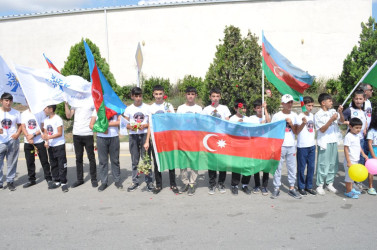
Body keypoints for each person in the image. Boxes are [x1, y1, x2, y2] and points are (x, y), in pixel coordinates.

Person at [144, 85, 178, 194]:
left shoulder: (168, 105)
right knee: (157, 161)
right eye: (156, 94)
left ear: (163, 94)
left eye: (160, 94)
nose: (158, 96)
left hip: (168, 137)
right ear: (153, 94)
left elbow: (174, 120)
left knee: (170, 161)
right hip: (156, 138)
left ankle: (173, 184)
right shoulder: (151, 108)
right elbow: (150, 124)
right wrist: (147, 140)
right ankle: (158, 185)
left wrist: (169, 114)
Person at [270, 94, 301, 199]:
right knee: (278, 168)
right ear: (282, 103)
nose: (290, 104)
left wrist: (291, 124)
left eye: (291, 102)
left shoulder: (294, 115)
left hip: (291, 145)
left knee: (292, 167)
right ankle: (276, 188)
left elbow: (296, 131)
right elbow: (272, 130)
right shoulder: (277, 116)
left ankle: (292, 188)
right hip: (280, 146)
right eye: (288, 102)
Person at [201, 88, 231, 195]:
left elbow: (227, 122)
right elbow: (203, 123)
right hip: (211, 139)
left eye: (217, 96)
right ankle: (212, 184)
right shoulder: (206, 109)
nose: (215, 98)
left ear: (220, 97)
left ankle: (221, 183)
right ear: (210, 97)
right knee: (212, 163)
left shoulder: (224, 108)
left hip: (222, 139)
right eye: (213, 96)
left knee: (222, 162)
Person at [124, 87, 154, 192]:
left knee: (146, 160)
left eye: (140, 96)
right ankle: (135, 181)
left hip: (145, 135)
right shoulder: (128, 109)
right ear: (132, 96)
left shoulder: (147, 108)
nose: (138, 98)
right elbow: (125, 123)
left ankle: (149, 181)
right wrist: (130, 127)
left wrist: (144, 126)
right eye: (136, 96)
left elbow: (150, 123)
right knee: (134, 160)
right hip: (133, 136)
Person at [314, 93, 344, 195]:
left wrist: (340, 112)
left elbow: (341, 122)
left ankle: (330, 183)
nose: (332, 102)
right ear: (323, 103)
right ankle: (320, 185)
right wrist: (331, 120)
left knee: (333, 164)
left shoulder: (333, 111)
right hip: (324, 142)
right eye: (330, 101)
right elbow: (322, 129)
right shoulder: (318, 114)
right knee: (323, 164)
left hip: (334, 141)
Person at [176, 86, 203, 196]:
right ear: (185, 95)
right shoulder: (180, 108)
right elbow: (177, 123)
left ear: (195, 95)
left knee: (194, 162)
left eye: (192, 94)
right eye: (188, 94)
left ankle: (192, 183)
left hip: (194, 139)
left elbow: (202, 124)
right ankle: (185, 182)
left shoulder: (199, 109)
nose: (190, 96)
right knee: (182, 163)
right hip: (182, 138)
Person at [65, 102, 98, 188]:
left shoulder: (90, 100)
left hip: (88, 133)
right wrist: (66, 104)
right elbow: (69, 116)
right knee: (78, 158)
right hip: (77, 133)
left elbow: (96, 115)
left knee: (91, 157)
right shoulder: (74, 102)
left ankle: (93, 179)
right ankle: (80, 179)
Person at [90, 108, 122, 192]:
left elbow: (120, 122)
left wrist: (106, 124)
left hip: (114, 137)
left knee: (115, 160)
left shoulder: (115, 108)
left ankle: (117, 180)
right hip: (101, 138)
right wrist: (101, 129)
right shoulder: (97, 109)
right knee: (102, 161)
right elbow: (91, 125)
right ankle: (104, 182)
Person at [343, 89, 368, 191]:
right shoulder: (349, 110)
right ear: (353, 99)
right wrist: (346, 122)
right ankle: (349, 191)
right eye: (356, 98)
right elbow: (341, 120)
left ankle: (356, 185)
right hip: (351, 156)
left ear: (364, 99)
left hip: (360, 140)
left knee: (357, 168)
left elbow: (364, 122)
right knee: (349, 175)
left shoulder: (363, 111)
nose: (358, 101)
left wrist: (363, 154)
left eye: (360, 99)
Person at [21, 106, 52, 188]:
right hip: (28, 142)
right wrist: (28, 136)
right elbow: (23, 126)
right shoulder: (24, 114)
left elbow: (42, 127)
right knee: (30, 161)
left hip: (39, 141)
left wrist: (33, 135)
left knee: (44, 160)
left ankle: (48, 178)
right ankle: (31, 179)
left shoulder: (41, 112)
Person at [42, 105, 69, 192]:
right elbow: (46, 133)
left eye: (46, 108)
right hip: (51, 145)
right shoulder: (46, 120)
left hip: (59, 145)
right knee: (53, 163)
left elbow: (59, 133)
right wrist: (46, 142)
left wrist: (48, 138)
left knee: (61, 164)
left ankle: (64, 182)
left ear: (51, 109)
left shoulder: (58, 119)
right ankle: (57, 180)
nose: (44, 109)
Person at [229, 99, 252, 195]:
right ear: (235, 108)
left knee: (248, 165)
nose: (242, 109)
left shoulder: (248, 119)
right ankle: (234, 185)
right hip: (236, 145)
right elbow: (229, 132)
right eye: (240, 108)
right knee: (237, 166)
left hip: (247, 144)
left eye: (244, 108)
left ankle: (245, 184)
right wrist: (237, 124)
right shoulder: (232, 119)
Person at [249, 99, 271, 196]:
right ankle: (257, 185)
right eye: (258, 108)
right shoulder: (251, 118)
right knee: (256, 167)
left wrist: (265, 109)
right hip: (255, 145)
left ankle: (264, 186)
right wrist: (260, 126)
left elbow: (269, 122)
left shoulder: (266, 117)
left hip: (265, 145)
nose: (259, 110)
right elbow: (251, 130)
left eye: (261, 108)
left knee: (266, 167)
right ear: (254, 109)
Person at [296, 96, 317, 196]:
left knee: (311, 167)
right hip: (302, 146)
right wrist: (303, 123)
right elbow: (297, 131)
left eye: (312, 105)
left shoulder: (312, 115)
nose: (311, 107)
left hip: (312, 145)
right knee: (301, 167)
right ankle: (301, 186)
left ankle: (309, 186)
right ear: (303, 105)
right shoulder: (299, 116)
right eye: (308, 105)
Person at [0, 93, 21, 191]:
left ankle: (10, 181)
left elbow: (20, 125)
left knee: (12, 162)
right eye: (6, 100)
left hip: (13, 140)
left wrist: (17, 134)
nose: (8, 103)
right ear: (1, 101)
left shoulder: (16, 112)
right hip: (1, 141)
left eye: (10, 101)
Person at [343, 117, 368, 199]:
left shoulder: (357, 136)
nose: (358, 130)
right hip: (350, 160)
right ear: (350, 127)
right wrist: (348, 161)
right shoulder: (348, 136)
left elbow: (359, 146)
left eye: (360, 128)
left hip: (355, 160)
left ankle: (351, 189)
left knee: (352, 177)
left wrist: (363, 154)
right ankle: (348, 191)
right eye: (356, 128)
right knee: (349, 177)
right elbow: (346, 149)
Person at [366, 113, 377, 195]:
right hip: (374, 149)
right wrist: (374, 156)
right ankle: (370, 186)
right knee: (371, 170)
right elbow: (370, 143)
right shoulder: (372, 131)